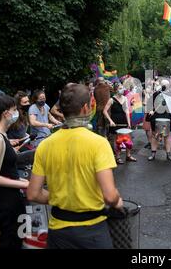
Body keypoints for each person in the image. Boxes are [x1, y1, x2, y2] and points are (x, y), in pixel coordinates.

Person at [27, 83, 123, 249]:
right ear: (86, 108)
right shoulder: (99, 143)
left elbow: (33, 194)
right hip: (93, 230)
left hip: (58, 231)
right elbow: (109, 195)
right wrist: (118, 202)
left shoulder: (45, 145)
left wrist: (62, 197)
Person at [0, 95, 29, 249]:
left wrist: (22, 182)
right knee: (10, 241)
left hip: (10, 197)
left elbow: (5, 169)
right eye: (14, 109)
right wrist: (20, 183)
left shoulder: (2, 134)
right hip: (5, 200)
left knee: (15, 239)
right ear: (5, 113)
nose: (17, 112)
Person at [147, 79, 171, 162]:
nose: (165, 87)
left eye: (166, 85)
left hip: (168, 117)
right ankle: (153, 153)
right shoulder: (155, 94)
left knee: (167, 135)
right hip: (156, 116)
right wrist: (150, 110)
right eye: (163, 85)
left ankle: (168, 153)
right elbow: (149, 104)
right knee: (155, 135)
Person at [103, 82, 136, 164]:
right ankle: (118, 157)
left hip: (124, 121)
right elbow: (104, 111)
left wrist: (129, 122)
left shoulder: (125, 98)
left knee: (128, 139)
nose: (122, 90)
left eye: (122, 88)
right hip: (115, 122)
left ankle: (128, 156)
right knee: (117, 140)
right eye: (120, 88)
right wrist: (110, 121)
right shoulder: (111, 99)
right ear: (115, 90)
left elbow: (127, 111)